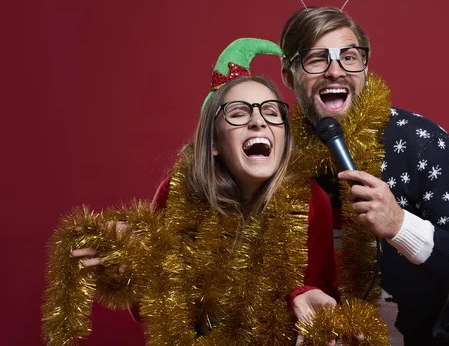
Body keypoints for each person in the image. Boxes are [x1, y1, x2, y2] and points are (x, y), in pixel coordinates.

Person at [42, 38, 346, 345]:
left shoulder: (310, 201)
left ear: (283, 137)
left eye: (271, 111)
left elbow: (318, 292)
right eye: (239, 113)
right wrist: (138, 262)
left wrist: (305, 299)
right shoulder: (178, 195)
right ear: (213, 143)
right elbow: (153, 310)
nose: (258, 121)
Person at [280, 7, 449, 345]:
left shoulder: (421, 144)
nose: (335, 71)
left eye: (349, 57)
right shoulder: (276, 155)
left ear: (366, 68)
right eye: (316, 59)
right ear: (290, 75)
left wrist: (401, 225)